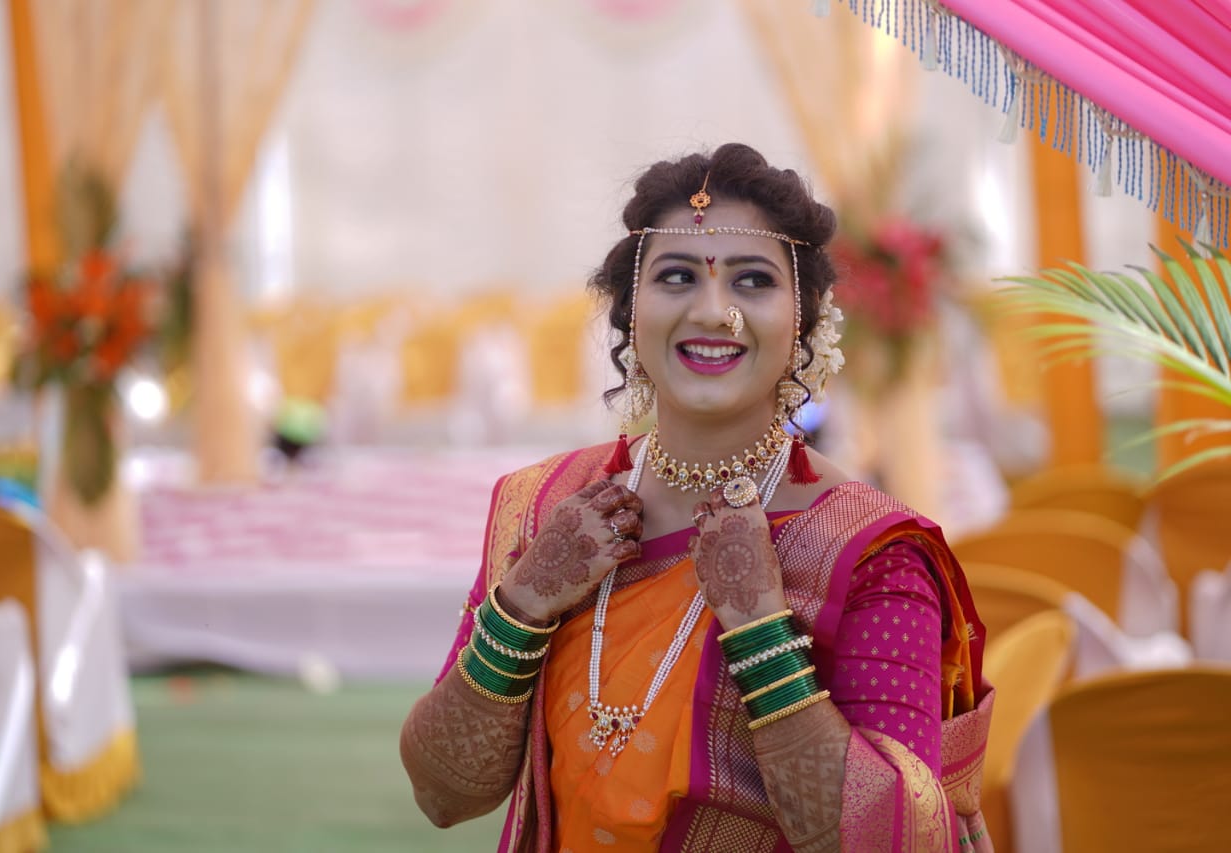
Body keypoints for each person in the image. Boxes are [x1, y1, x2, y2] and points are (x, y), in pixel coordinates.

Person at [399, 143, 993, 852]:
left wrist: (760, 628)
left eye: (753, 282)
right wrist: (523, 603)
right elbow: (443, 791)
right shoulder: (548, 509)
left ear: (804, 323)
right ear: (630, 313)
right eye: (677, 276)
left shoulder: (869, 553)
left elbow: (898, 841)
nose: (715, 312)